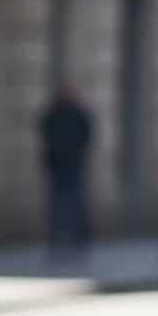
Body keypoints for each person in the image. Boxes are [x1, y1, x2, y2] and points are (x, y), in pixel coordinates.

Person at [38, 80, 94, 256]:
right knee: (55, 207)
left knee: (78, 206)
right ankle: (55, 243)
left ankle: (80, 242)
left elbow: (87, 137)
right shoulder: (52, 114)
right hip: (57, 167)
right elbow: (45, 139)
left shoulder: (79, 114)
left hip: (74, 166)